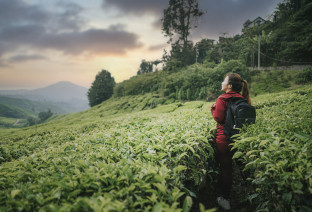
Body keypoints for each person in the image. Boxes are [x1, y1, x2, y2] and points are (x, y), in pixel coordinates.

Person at [210, 73, 251, 210]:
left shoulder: (222, 98)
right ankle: (251, 195)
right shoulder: (243, 99)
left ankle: (225, 200)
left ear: (230, 86)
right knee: (244, 167)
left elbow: (219, 118)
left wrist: (213, 108)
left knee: (226, 170)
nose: (222, 83)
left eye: (224, 81)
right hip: (239, 138)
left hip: (224, 139)